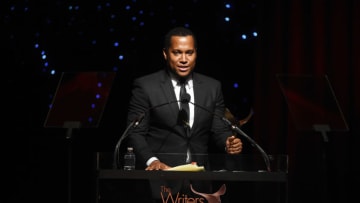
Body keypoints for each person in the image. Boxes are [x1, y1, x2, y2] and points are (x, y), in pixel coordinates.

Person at [125, 26, 243, 202]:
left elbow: (219, 129)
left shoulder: (212, 87)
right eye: (177, 53)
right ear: (166, 54)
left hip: (200, 182)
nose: (183, 59)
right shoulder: (146, 86)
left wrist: (228, 143)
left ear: (196, 53)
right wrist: (152, 161)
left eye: (189, 53)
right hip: (161, 180)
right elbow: (134, 132)